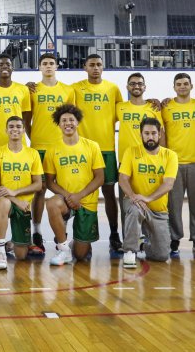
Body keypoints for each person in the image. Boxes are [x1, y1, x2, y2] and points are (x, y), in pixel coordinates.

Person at [0, 55, 37, 254]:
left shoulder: (23, 89)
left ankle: (24, 236)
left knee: (24, 191)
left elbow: (25, 118)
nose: (4, 67)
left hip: (20, 150)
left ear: (12, 68)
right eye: (0, 64)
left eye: (7, 64)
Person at [72, 54, 124, 257]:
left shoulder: (113, 89)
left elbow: (125, 111)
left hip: (107, 149)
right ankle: (83, 236)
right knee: (84, 194)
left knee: (110, 193)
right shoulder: (75, 88)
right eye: (91, 64)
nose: (95, 68)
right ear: (85, 67)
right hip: (84, 150)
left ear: (103, 67)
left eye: (99, 65)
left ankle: (113, 234)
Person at [43, 104, 105, 266]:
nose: (68, 123)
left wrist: (79, 196)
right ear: (59, 124)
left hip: (86, 201)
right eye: (64, 120)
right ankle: (63, 249)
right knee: (51, 204)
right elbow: (49, 182)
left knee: (81, 256)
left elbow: (100, 178)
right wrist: (68, 196)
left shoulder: (92, 146)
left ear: (78, 122)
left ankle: (78, 244)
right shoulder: (53, 149)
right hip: (66, 201)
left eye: (71, 119)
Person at [27, 52, 75, 256]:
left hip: (60, 147)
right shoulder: (32, 90)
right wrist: (34, 139)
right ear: (39, 67)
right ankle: (36, 232)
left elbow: (72, 119)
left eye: (51, 63)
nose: (48, 66)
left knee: (60, 189)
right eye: (44, 63)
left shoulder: (67, 90)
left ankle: (60, 231)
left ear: (57, 67)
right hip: (39, 146)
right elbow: (26, 118)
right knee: (39, 190)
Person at [162, 73, 195, 258]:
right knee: (174, 204)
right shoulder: (165, 107)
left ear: (192, 86)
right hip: (174, 163)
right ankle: (174, 239)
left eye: (185, 84)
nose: (182, 87)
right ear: (174, 87)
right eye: (178, 84)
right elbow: (161, 134)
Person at [118, 118, 178, 269]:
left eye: (153, 133)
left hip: (158, 210)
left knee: (162, 255)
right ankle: (130, 251)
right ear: (141, 135)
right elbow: (123, 179)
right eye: (146, 133)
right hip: (136, 203)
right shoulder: (131, 152)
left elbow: (168, 184)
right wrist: (134, 196)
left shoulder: (170, 156)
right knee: (135, 209)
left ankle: (144, 246)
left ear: (159, 135)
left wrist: (148, 198)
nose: (150, 137)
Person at [0, 116, 43, 270]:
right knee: (5, 203)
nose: (15, 129)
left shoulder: (33, 154)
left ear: (24, 130)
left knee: (21, 255)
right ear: (6, 130)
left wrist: (17, 192)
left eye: (18, 126)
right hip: (2, 201)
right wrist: (15, 199)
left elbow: (38, 184)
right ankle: (0, 251)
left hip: (24, 205)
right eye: (11, 126)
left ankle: (12, 242)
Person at [116, 73, 163, 163]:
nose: (136, 86)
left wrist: (161, 157)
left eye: (140, 84)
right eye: (132, 84)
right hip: (125, 159)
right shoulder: (119, 107)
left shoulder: (154, 107)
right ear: (127, 87)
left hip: (149, 158)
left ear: (145, 87)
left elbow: (161, 134)